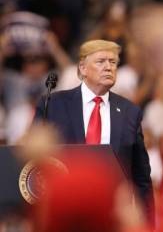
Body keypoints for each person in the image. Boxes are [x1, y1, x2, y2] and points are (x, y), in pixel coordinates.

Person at [34, 40, 154, 221]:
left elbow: (141, 177)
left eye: (113, 62)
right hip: (65, 212)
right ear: (82, 68)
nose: (109, 67)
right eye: (101, 61)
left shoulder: (130, 112)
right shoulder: (53, 104)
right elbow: (32, 160)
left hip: (113, 216)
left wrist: (147, 225)